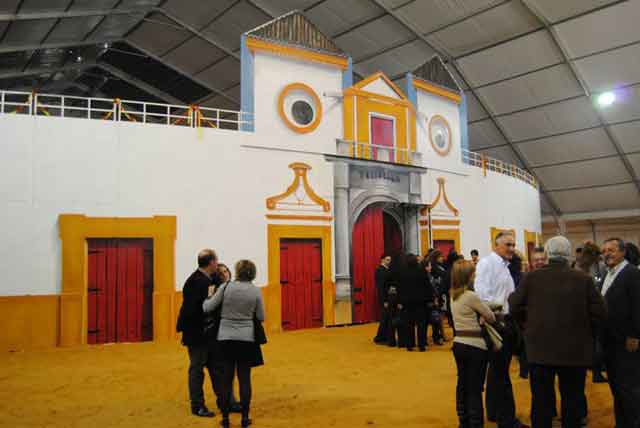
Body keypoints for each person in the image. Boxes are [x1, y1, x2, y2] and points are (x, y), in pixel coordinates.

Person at [509, 236, 606, 428]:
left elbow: (514, 306)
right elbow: (600, 312)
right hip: (575, 352)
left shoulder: (531, 278)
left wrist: (528, 326)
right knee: (572, 400)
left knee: (541, 402)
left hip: (539, 351)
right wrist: (586, 332)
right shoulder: (583, 279)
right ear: (568, 254)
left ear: (547, 254)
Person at [474, 231, 529, 428]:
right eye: (508, 245)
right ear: (496, 245)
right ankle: (507, 420)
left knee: (497, 372)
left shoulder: (505, 266)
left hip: (506, 322)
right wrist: (498, 315)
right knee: (501, 374)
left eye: (513, 245)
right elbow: (482, 296)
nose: (512, 248)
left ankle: (495, 412)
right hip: (496, 323)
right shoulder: (487, 264)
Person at [203, 259, 265, 428]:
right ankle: (245, 418)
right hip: (246, 339)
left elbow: (208, 307)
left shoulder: (226, 287)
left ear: (237, 271)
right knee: (244, 378)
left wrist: (208, 296)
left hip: (225, 338)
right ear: (252, 272)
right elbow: (261, 316)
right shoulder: (255, 291)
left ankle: (225, 419)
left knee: (226, 379)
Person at [176, 249, 223, 417]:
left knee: (216, 367)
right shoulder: (196, 282)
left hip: (208, 333)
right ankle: (197, 406)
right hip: (197, 334)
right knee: (197, 369)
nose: (217, 264)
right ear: (210, 262)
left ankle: (224, 401)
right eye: (216, 261)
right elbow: (192, 311)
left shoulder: (207, 279)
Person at [451, 259, 496, 428]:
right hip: (475, 346)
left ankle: (464, 421)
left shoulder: (452, 294)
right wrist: (484, 315)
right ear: (468, 276)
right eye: (473, 272)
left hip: (459, 344)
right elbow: (490, 316)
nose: (475, 275)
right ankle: (476, 423)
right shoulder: (471, 296)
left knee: (462, 384)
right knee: (475, 388)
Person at [601, 238, 640, 428]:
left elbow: (637, 306)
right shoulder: (608, 273)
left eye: (612, 250)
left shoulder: (631, 273)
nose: (607, 253)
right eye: (605, 250)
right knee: (616, 386)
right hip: (610, 341)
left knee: (629, 388)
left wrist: (634, 335)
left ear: (623, 252)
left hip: (627, 341)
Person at [400, 254, 433, 352]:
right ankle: (421, 345)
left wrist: (401, 301)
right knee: (421, 324)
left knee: (409, 324)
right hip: (420, 302)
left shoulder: (403, 273)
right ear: (416, 261)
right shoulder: (421, 271)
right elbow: (427, 286)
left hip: (407, 302)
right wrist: (430, 299)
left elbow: (400, 288)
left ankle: (409, 345)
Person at [428, 250, 447, 345]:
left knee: (439, 316)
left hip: (440, 293)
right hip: (436, 294)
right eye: (440, 257)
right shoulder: (434, 267)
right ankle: (437, 336)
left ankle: (441, 335)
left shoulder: (439, 266)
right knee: (436, 317)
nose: (442, 258)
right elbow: (434, 282)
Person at [373, 254, 392, 345]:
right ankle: (380, 337)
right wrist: (384, 300)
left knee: (386, 318)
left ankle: (383, 336)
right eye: (387, 260)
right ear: (382, 260)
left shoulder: (386, 270)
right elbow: (380, 287)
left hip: (388, 297)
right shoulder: (380, 270)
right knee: (385, 318)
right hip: (385, 298)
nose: (389, 261)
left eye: (390, 260)